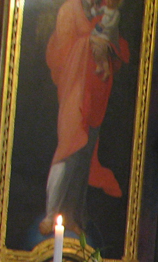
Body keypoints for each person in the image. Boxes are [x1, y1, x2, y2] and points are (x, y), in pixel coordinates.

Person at [39, 0, 129, 237]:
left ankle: (71, 216)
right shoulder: (69, 9)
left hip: (96, 92)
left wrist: (107, 44)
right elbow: (60, 53)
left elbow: (118, 48)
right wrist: (91, 41)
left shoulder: (104, 11)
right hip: (74, 88)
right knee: (68, 148)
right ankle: (51, 213)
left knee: (84, 155)